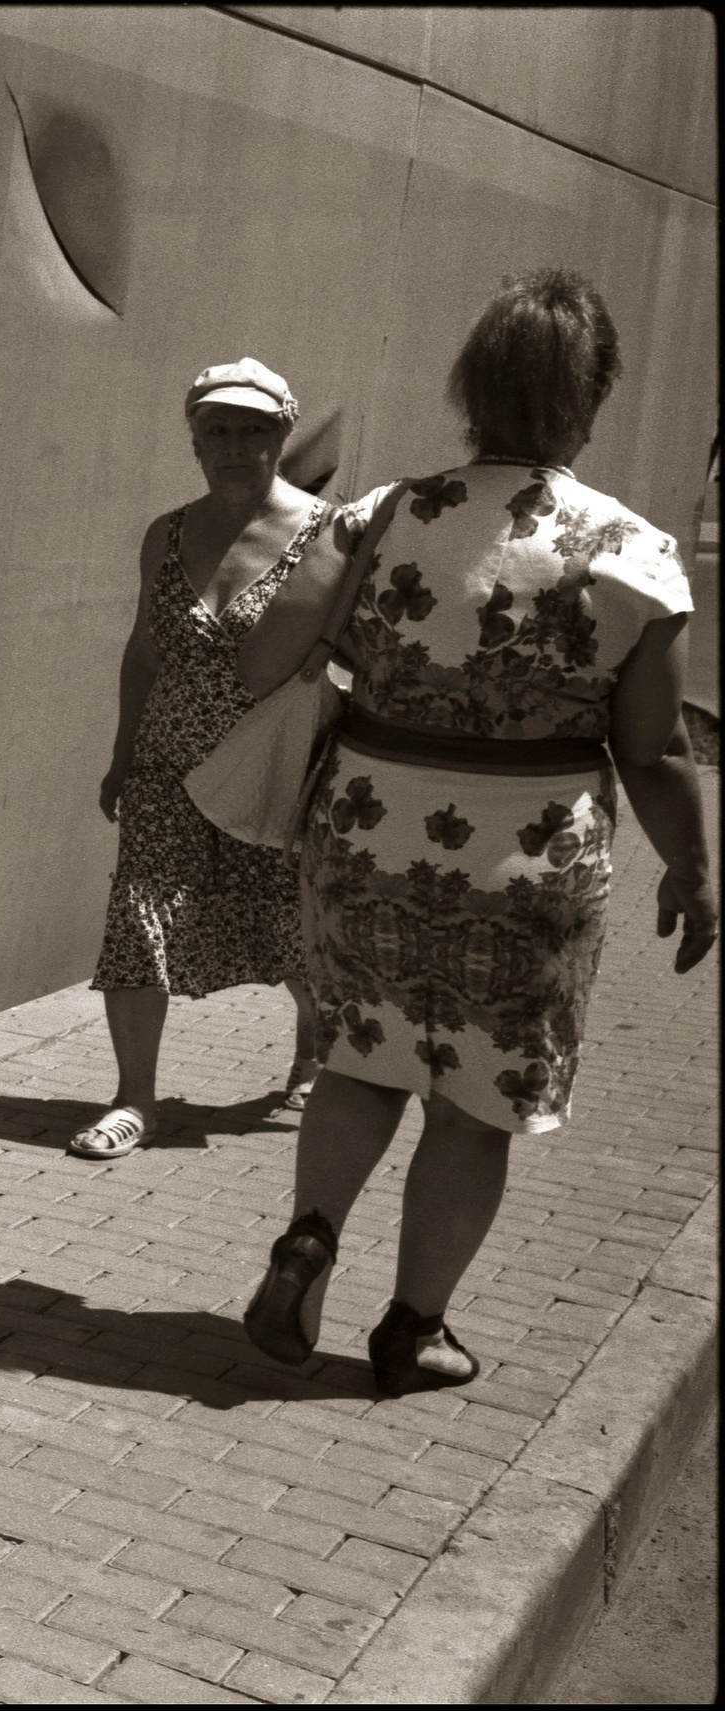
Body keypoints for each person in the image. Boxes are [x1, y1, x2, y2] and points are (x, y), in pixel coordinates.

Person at [236, 269, 716, 1395]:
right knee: (472, 1105)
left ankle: (308, 1238)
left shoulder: (379, 516)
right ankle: (412, 1328)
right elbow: (651, 749)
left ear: (470, 384)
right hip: (528, 860)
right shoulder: (629, 551)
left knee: (360, 1061)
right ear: (589, 394)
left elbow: (262, 663)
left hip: (365, 831)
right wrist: (694, 868)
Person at [79, 359, 334, 1159]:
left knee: (292, 925)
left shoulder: (328, 532)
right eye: (217, 430)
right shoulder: (168, 533)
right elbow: (145, 649)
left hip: (273, 774)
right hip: (168, 768)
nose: (235, 445)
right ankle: (133, 1100)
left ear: (282, 435)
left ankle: (316, 1044)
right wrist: (123, 753)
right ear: (194, 441)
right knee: (137, 918)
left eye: (253, 429)